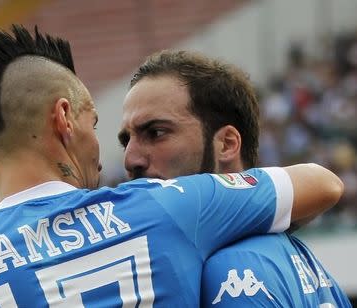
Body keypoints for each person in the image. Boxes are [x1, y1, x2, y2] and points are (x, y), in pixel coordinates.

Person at [0, 25, 343, 307]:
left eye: (155, 133)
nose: (128, 159)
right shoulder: (165, 209)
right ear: (63, 119)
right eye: (95, 124)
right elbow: (322, 183)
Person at [118, 50, 352, 307]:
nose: (131, 160)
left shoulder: (231, 270)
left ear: (226, 144)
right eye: (126, 141)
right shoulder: (306, 263)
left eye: (156, 132)